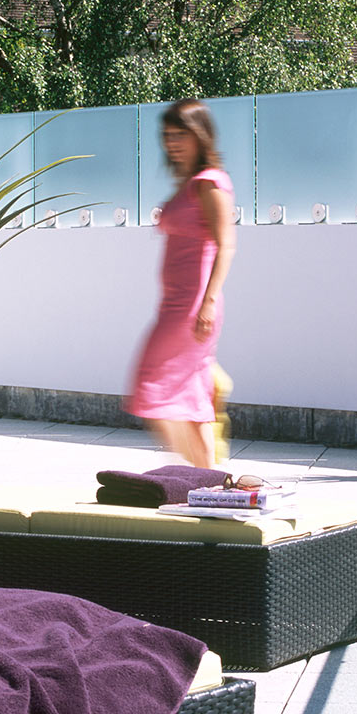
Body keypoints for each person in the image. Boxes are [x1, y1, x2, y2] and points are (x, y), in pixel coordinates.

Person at [126, 100, 236, 466]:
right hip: (173, 303)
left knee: (153, 385)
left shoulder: (210, 183)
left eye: (180, 135)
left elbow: (226, 244)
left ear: (200, 135)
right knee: (181, 396)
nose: (172, 143)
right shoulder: (187, 184)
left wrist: (209, 300)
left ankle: (205, 475)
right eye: (167, 136)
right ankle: (208, 477)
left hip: (193, 306)